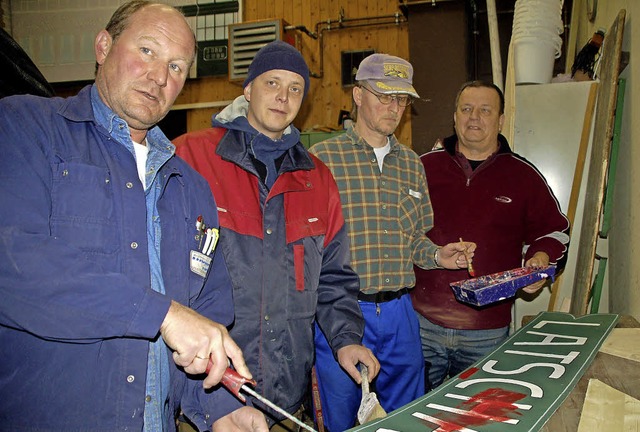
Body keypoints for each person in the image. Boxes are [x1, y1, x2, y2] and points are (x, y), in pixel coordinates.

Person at [0, 2, 269, 431]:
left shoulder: (192, 189)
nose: (161, 76)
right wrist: (162, 314)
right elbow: (12, 263)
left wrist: (221, 408)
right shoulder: (25, 127)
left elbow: (207, 310)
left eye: (177, 66)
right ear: (104, 46)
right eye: (147, 51)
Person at [173, 40, 380, 430]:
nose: (283, 97)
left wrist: (346, 338)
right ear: (248, 89)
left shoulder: (318, 180)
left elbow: (333, 280)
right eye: (272, 83)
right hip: (208, 399)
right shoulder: (191, 158)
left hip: (285, 399)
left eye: (295, 88)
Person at [309, 53, 473, 431]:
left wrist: (438, 255)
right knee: (343, 419)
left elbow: (414, 239)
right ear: (357, 95)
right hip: (342, 313)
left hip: (400, 313)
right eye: (384, 96)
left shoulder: (412, 164)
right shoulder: (322, 160)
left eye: (401, 99)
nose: (394, 107)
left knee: (407, 418)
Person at [412, 80, 571, 391]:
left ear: (500, 120)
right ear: (454, 116)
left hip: (486, 333)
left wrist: (541, 258)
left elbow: (555, 230)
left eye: (485, 110)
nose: (474, 117)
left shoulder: (524, 176)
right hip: (420, 326)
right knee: (415, 413)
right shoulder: (421, 168)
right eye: (467, 109)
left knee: (479, 415)